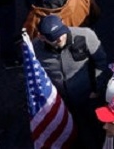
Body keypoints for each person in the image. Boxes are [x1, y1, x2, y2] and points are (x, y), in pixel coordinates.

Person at [34, 15, 109, 146]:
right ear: (41, 37)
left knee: (97, 128)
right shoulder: (35, 49)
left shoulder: (85, 35)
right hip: (62, 102)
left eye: (61, 33)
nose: (60, 38)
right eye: (53, 38)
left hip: (88, 96)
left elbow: (101, 62)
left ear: (63, 23)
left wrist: (97, 89)